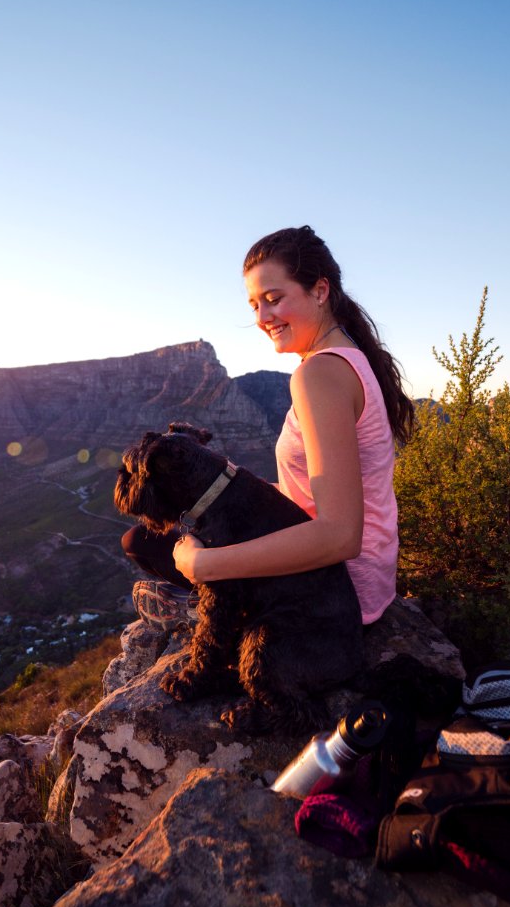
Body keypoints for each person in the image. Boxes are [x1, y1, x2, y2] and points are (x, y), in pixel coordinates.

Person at [170, 225, 414, 627]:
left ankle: (197, 608)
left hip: (335, 594)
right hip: (365, 582)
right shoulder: (345, 357)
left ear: (320, 291)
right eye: (254, 305)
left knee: (148, 543)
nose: (263, 318)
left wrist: (205, 565)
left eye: (274, 299)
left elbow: (340, 536)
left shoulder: (320, 374)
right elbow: (320, 496)